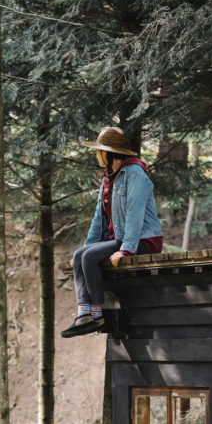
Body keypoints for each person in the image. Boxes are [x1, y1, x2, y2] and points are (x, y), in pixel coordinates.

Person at [61, 126, 163, 338]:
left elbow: (135, 215)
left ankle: (97, 314)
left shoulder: (135, 174)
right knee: (80, 254)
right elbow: (99, 218)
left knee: (89, 257)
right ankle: (84, 313)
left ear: (108, 152)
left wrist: (126, 250)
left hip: (143, 239)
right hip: (119, 238)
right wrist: (87, 244)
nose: (97, 155)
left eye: (99, 151)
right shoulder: (109, 178)